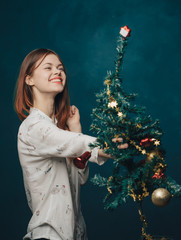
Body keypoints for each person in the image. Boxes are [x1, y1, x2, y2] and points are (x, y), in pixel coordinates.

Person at [14, 48, 127, 240]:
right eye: (48, 67)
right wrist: (105, 145)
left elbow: (80, 177)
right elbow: (69, 142)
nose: (57, 72)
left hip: (74, 234)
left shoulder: (60, 132)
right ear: (29, 79)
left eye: (60, 68)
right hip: (48, 235)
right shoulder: (33, 127)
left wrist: (75, 127)